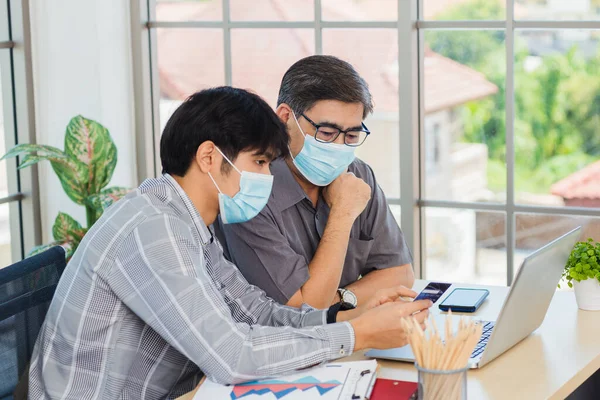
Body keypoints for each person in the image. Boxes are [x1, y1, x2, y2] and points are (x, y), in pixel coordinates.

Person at [28, 87, 432, 400]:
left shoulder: (189, 223)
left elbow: (257, 314)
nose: (267, 177)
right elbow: (232, 355)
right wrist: (359, 337)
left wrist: (347, 320)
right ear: (209, 157)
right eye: (258, 163)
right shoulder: (153, 229)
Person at [216, 56, 415, 309]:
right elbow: (302, 310)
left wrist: (343, 299)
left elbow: (401, 274)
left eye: (352, 135)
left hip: (350, 336)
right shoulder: (249, 191)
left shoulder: (358, 175)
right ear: (285, 118)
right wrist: (342, 215)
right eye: (327, 133)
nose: (340, 147)